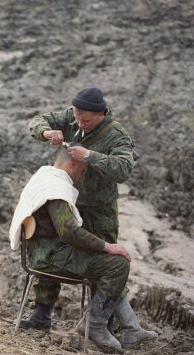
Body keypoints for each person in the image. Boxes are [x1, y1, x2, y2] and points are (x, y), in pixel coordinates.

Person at [9, 146, 156, 350]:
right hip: (51, 258)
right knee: (117, 264)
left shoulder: (43, 176)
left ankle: (132, 329)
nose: (81, 177)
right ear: (73, 163)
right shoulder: (57, 188)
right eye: (83, 171)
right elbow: (68, 231)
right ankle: (96, 325)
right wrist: (107, 246)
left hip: (40, 252)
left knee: (105, 261)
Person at [26, 87, 135, 327]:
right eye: (76, 118)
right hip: (67, 200)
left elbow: (124, 169)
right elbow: (36, 122)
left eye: (85, 120)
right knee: (52, 249)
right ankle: (40, 314)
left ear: (101, 114)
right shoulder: (73, 117)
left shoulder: (117, 135)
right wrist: (46, 132)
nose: (79, 123)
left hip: (98, 210)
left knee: (104, 262)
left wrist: (89, 156)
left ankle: (102, 324)